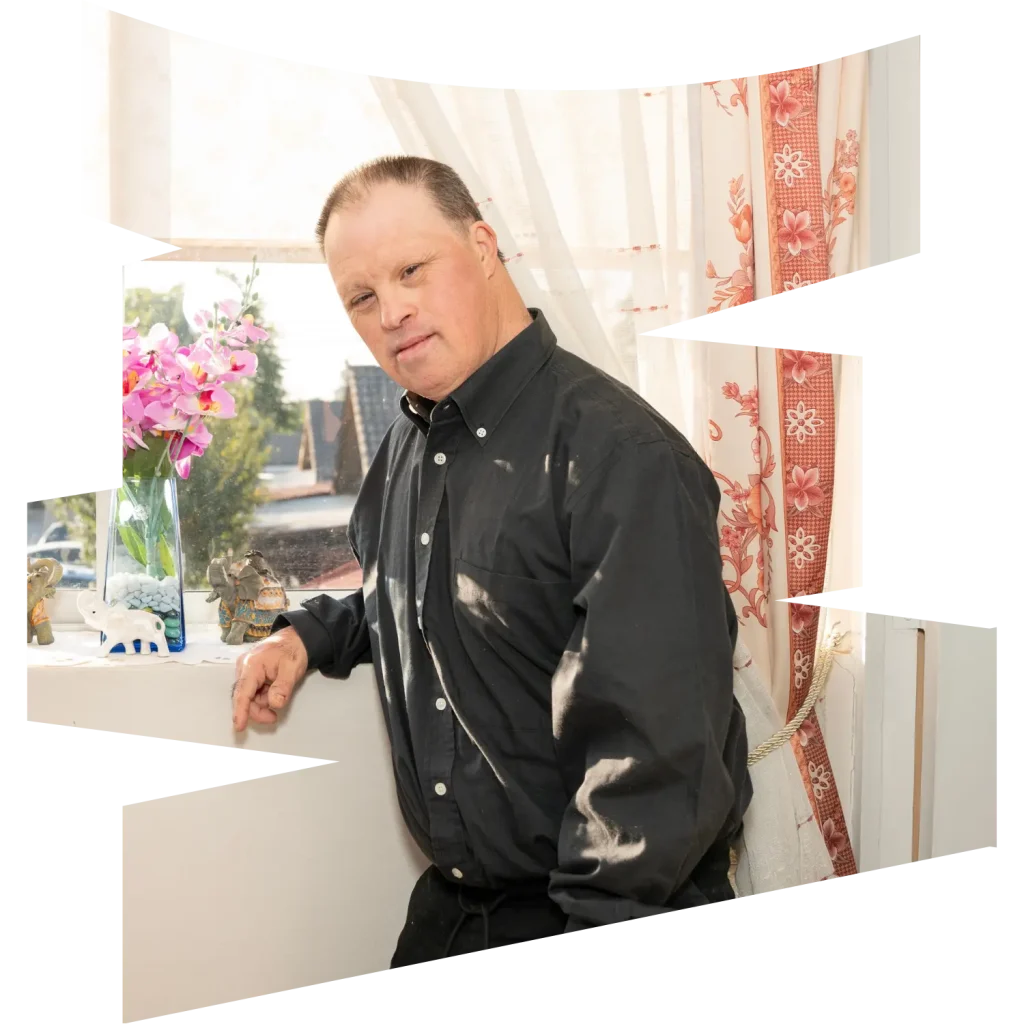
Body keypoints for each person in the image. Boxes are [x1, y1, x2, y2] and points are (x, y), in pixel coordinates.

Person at [231, 155, 753, 969]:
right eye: (362, 297)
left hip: (601, 908)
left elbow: (656, 761)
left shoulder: (623, 458)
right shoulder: (405, 441)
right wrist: (308, 635)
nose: (393, 310)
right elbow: (411, 593)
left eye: (412, 269)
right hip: (452, 912)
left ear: (482, 246)